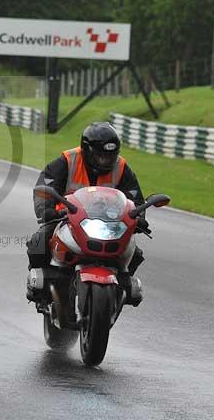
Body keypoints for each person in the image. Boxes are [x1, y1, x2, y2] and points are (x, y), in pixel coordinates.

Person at [27, 121, 148, 306]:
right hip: (66, 220)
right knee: (39, 241)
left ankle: (123, 291)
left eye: (110, 156)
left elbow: (136, 198)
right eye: (101, 156)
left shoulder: (122, 167)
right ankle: (39, 288)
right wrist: (46, 210)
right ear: (87, 150)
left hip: (109, 225)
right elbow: (45, 185)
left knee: (135, 253)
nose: (106, 161)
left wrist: (139, 218)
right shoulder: (67, 161)